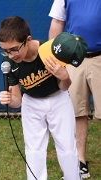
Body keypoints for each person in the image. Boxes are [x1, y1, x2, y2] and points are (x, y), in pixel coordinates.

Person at [0, 16, 86, 180]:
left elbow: (63, 86)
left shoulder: (48, 51)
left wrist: (64, 76)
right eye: (5, 50)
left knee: (67, 148)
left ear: (28, 40)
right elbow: (18, 100)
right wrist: (10, 99)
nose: (10, 55)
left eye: (14, 49)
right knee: (34, 150)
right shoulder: (9, 62)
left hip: (58, 98)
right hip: (31, 102)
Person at [48, 0, 101, 179]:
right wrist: (54, 59)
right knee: (77, 112)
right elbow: (57, 22)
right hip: (73, 59)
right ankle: (80, 162)